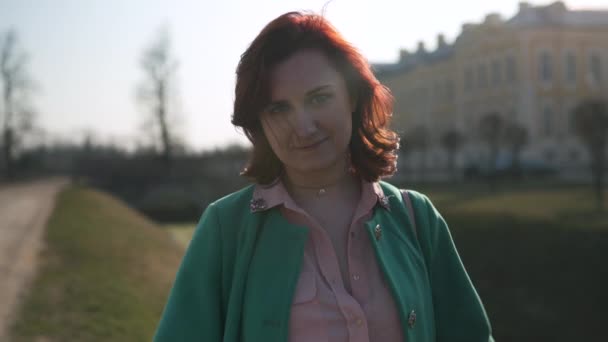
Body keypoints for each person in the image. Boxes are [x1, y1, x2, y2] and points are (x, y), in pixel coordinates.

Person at [154, 11, 494, 342]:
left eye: (319, 98)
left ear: (353, 96)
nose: (303, 126)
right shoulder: (225, 229)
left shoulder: (416, 219)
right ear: (260, 123)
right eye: (279, 108)